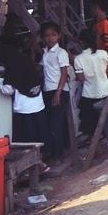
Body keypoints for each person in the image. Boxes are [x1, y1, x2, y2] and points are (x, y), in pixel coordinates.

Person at [0, 20, 45, 145]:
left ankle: (32, 162)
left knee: (26, 140)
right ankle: (41, 159)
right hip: (38, 104)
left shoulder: (12, 67)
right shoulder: (26, 60)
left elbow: (9, 90)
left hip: (24, 108)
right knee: (38, 135)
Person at [73, 28, 108, 147]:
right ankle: (107, 137)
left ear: (82, 42)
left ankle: (94, 140)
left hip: (90, 93)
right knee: (107, 117)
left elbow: (81, 78)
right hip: (106, 90)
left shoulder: (78, 59)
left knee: (89, 119)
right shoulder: (103, 54)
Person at [40, 22, 71, 163]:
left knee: (56, 124)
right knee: (52, 124)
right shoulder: (45, 52)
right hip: (47, 90)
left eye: (53, 35)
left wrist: (58, 93)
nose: (50, 38)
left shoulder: (61, 53)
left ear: (58, 36)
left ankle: (58, 155)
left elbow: (64, 73)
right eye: (47, 35)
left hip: (59, 91)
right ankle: (58, 151)